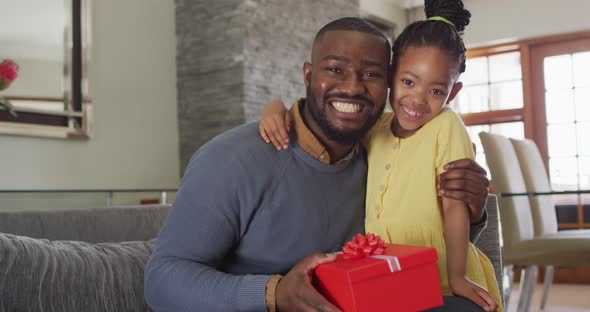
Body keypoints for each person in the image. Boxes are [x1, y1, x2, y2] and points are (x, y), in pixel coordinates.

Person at [145, 17, 491, 312]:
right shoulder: (229, 160)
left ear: (387, 85)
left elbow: (411, 232)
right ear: (308, 75)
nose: (353, 87)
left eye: (371, 74)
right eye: (335, 69)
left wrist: (471, 209)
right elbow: (161, 280)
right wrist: (273, 293)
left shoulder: (377, 153)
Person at [258, 1, 502, 311]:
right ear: (390, 78)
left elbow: (455, 207)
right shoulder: (377, 128)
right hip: (392, 273)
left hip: (442, 274)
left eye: (436, 91)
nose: (417, 99)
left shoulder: (447, 125)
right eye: (408, 82)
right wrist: (276, 107)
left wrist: (457, 277)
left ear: (453, 93)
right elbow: (322, 118)